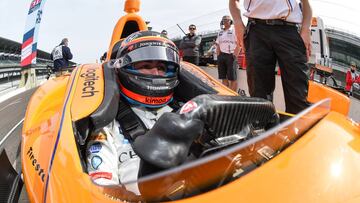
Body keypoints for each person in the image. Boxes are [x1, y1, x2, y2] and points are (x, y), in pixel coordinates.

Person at [86, 31, 203, 195]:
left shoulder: (189, 112)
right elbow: (102, 187)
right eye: (146, 66)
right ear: (123, 68)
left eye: (161, 67)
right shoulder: (107, 125)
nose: (156, 73)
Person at [229, 0, 312, 114]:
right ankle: (262, 128)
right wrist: (238, 22)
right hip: (256, 30)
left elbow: (306, 3)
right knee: (259, 94)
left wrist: (306, 28)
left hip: (289, 31)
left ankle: (297, 129)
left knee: (298, 93)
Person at [216, 15, 240, 91]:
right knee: (223, 77)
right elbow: (218, 44)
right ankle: (226, 95)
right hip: (221, 56)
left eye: (227, 19)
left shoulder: (234, 30)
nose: (225, 21)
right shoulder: (220, 32)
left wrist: (235, 55)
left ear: (230, 21)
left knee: (232, 78)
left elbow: (239, 44)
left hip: (231, 56)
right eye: (224, 20)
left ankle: (232, 97)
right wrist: (218, 55)